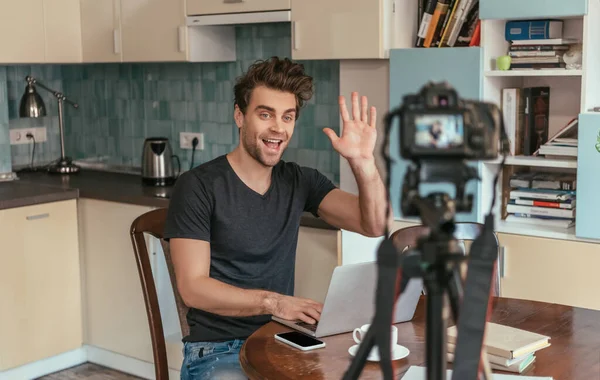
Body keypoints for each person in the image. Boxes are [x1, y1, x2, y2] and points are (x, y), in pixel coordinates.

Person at [164, 56, 388, 379]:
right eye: (265, 114)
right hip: (217, 349)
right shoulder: (198, 186)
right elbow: (193, 288)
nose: (277, 128)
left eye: (288, 117)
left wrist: (364, 163)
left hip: (282, 340)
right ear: (239, 116)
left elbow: (374, 224)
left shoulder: (299, 181)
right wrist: (275, 303)